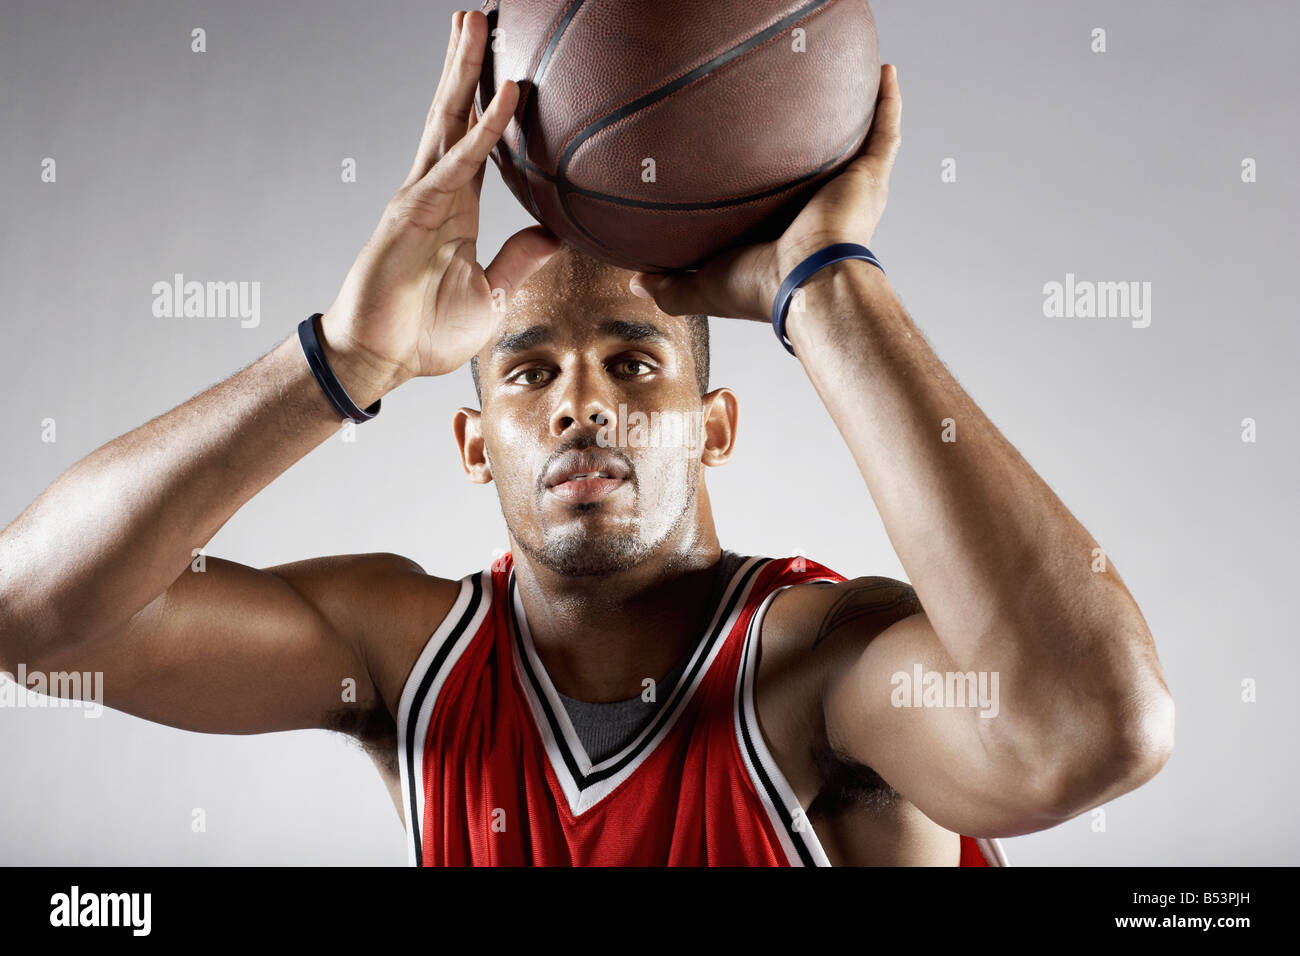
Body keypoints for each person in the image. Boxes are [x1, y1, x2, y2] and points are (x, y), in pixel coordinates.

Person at [0, 10, 1173, 866]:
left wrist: (823, 288)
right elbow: (30, 616)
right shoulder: (410, 658)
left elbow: (1093, 724)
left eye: (632, 360)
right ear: (472, 444)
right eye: (529, 372)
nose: (582, 404)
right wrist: (340, 362)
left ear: (714, 426)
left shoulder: (821, 667)